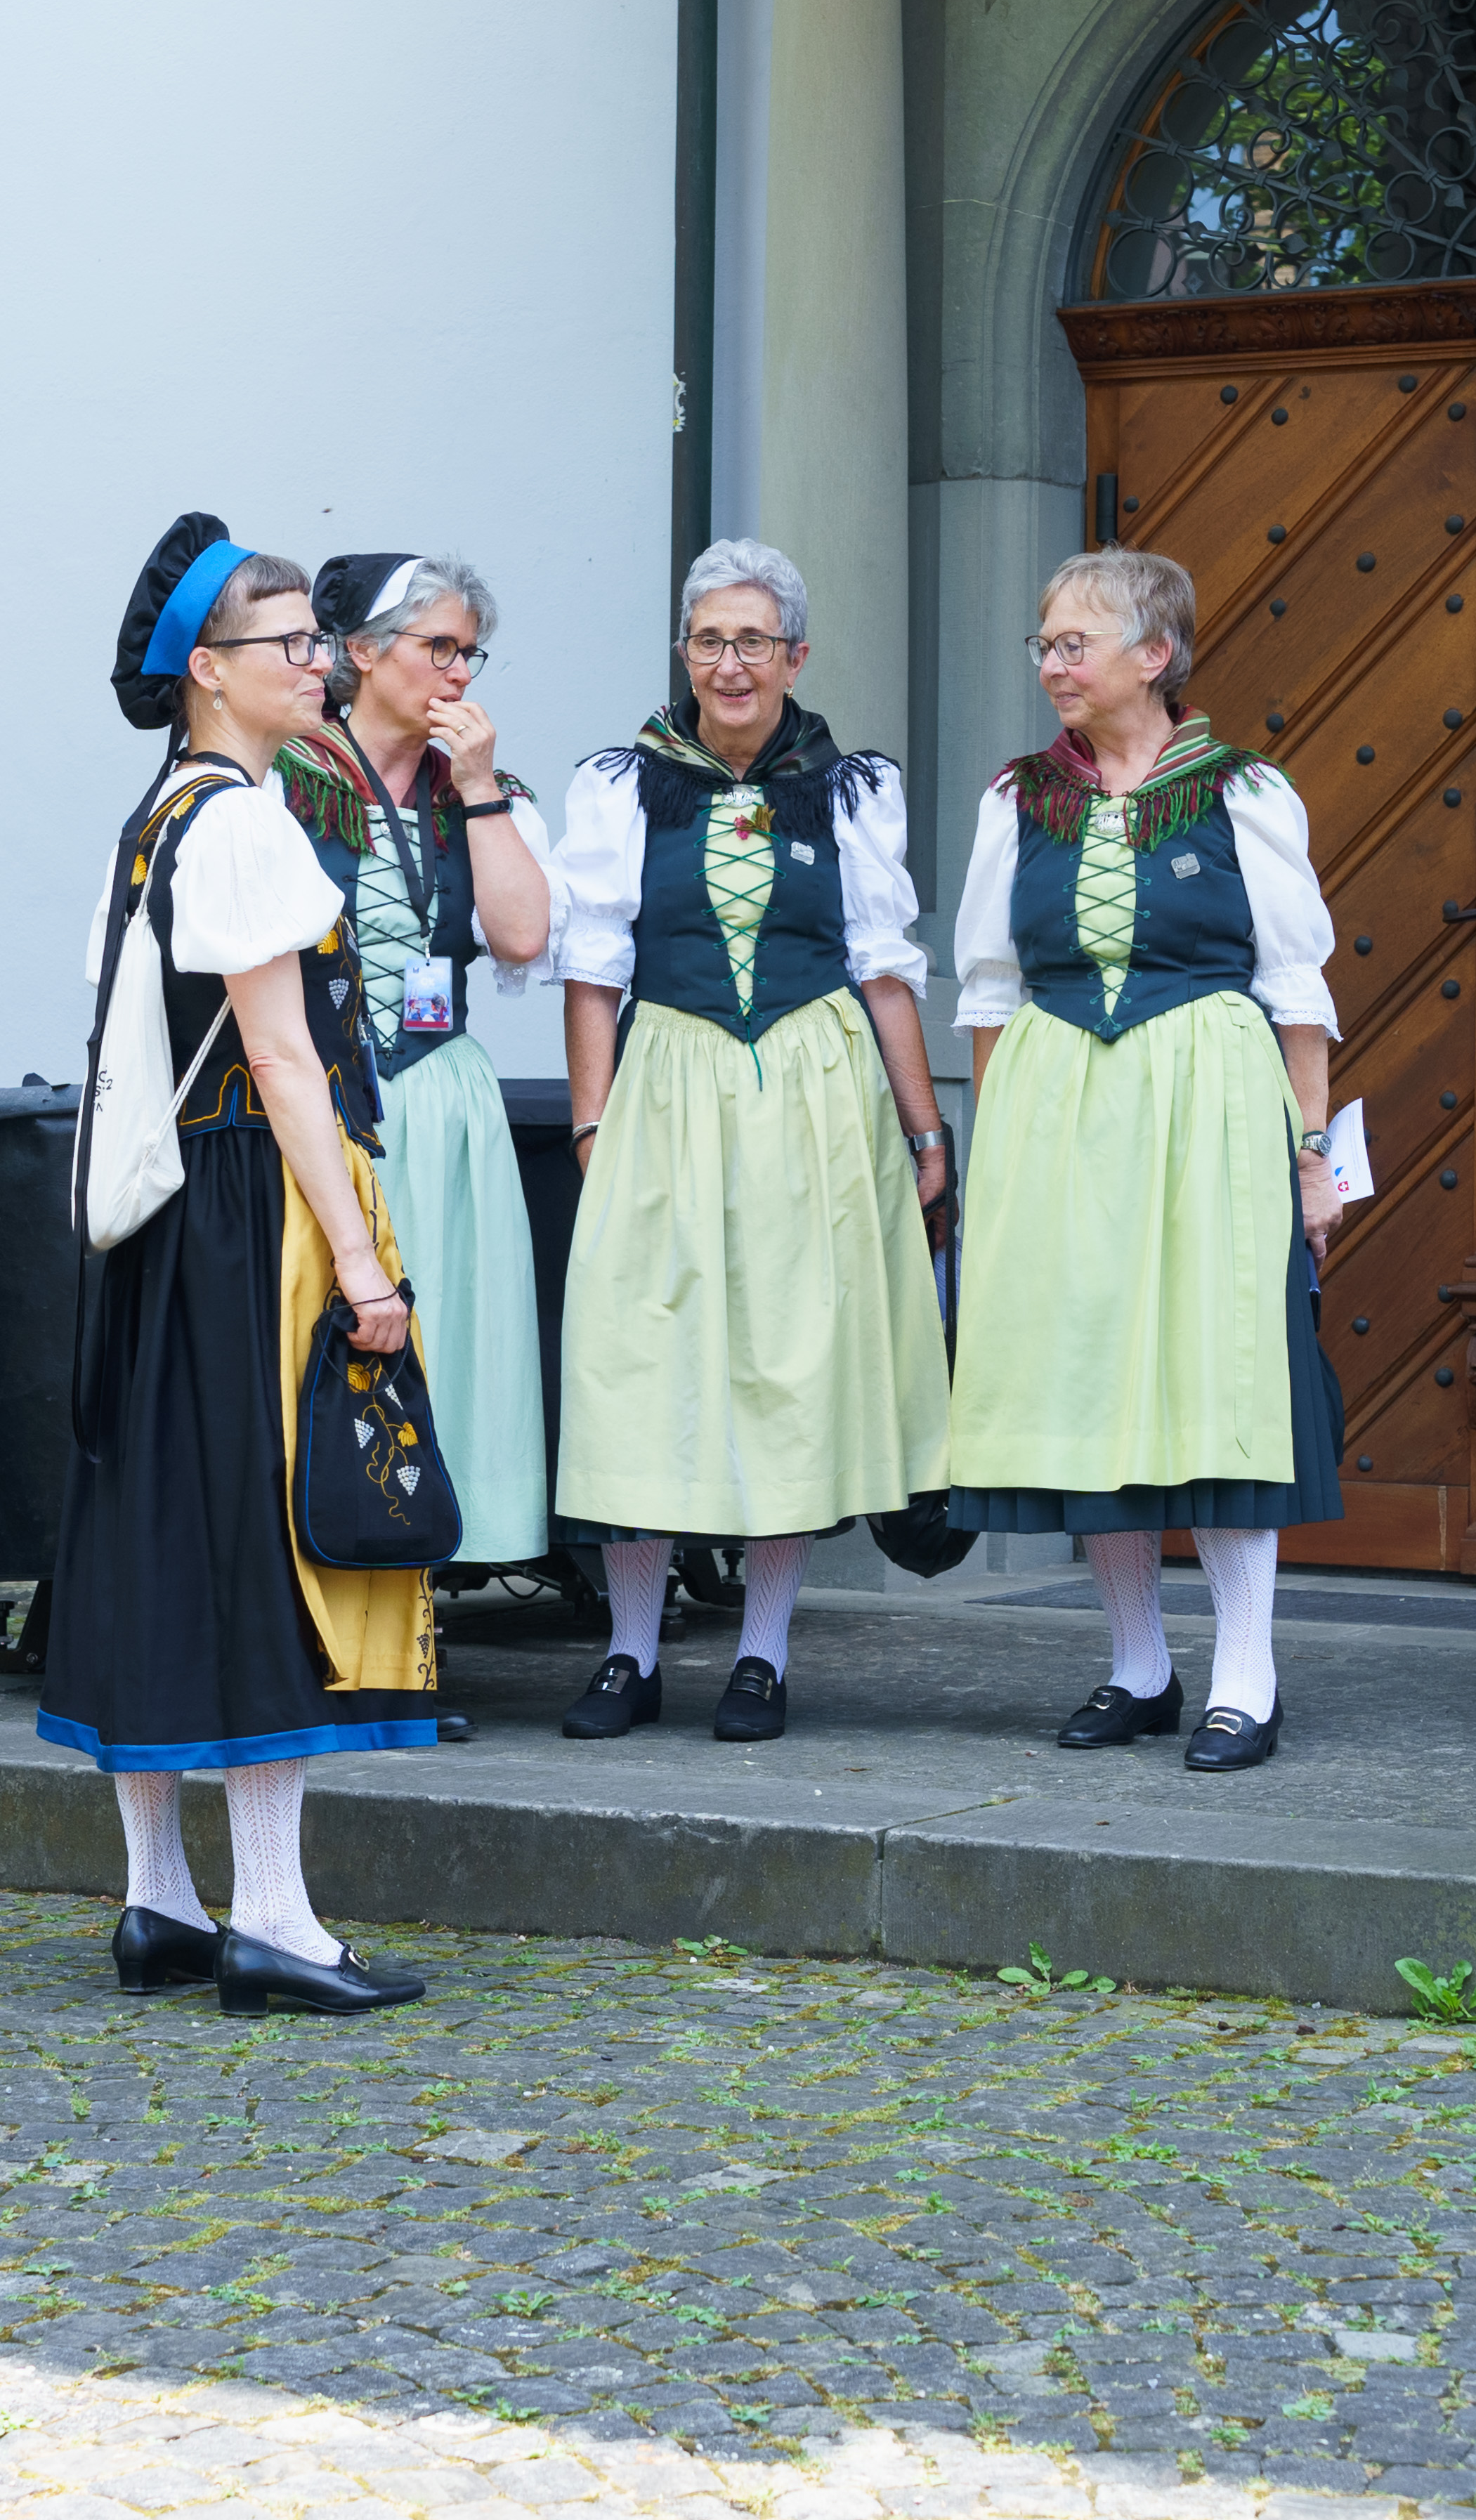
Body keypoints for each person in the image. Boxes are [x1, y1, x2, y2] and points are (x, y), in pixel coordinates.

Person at [41, 513, 436, 2014]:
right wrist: (363, 1267)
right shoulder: (249, 823)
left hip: (161, 1223)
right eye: (288, 644)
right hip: (248, 1212)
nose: (317, 662)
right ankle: (272, 1919)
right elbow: (282, 1058)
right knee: (263, 1536)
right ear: (209, 669)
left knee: (158, 1526)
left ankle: (159, 1903)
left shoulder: (156, 817)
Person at [948, 544, 1344, 1773]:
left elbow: (1296, 991)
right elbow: (991, 992)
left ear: (1154, 654)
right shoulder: (1019, 801)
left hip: (1209, 1103)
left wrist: (1313, 1155)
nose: (1052, 666)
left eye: (1074, 644)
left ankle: (1245, 1678)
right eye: (1045, 645)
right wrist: (997, 1152)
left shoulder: (1242, 793)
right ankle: (1138, 1666)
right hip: (1058, 1108)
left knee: (1218, 1377)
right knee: (1083, 1378)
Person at [547, 538, 951, 1742]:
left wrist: (926, 1131)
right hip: (666, 1080)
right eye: (710, 640)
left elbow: (884, 972)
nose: (731, 664)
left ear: (796, 657)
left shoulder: (849, 789)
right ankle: (630, 1651)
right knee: (638, 1358)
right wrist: (590, 1121)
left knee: (790, 1364)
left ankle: (762, 1653)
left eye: (754, 641)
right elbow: (591, 970)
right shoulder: (624, 786)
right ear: (685, 652)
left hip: (813, 1090)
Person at [276, 554, 554, 1643]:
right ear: (360, 653)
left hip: (439, 1099)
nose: (458, 671)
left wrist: (479, 787)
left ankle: (416, 1624)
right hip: (322, 1096)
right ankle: (314, 1615)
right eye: (437, 646)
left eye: (468, 652)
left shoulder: (477, 792)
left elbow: (521, 936)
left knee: (447, 1353)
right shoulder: (284, 777)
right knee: (323, 1352)